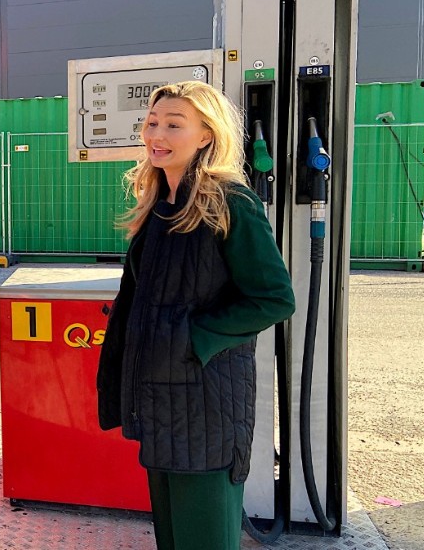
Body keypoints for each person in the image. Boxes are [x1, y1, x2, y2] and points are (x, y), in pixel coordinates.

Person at [96, 80, 295, 550]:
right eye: (152, 123)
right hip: (161, 403)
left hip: (206, 409)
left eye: (174, 125)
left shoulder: (230, 203)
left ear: (206, 135)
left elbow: (273, 298)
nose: (156, 134)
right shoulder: (159, 205)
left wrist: (195, 338)